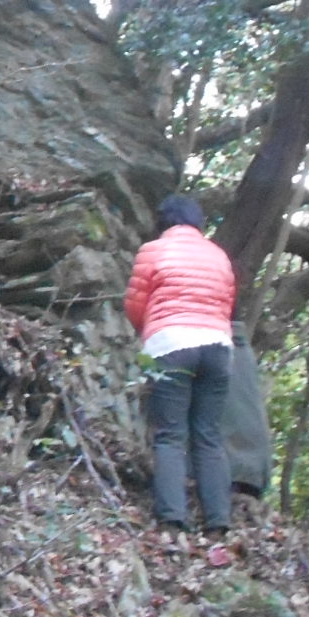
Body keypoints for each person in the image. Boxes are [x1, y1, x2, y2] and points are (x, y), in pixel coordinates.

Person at [124, 195, 237, 545]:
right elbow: (228, 303)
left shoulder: (154, 250)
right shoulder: (218, 255)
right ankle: (217, 523)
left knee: (171, 435)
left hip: (171, 343)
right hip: (217, 346)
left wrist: (148, 331)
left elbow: (136, 304)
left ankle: (173, 520)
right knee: (208, 435)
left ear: (164, 221)